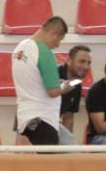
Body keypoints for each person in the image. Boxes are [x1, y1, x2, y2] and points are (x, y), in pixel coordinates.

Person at [12, 16, 78, 146]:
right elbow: (53, 92)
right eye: (59, 40)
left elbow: (33, 80)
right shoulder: (45, 53)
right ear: (54, 34)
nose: (57, 45)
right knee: (49, 164)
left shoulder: (19, 48)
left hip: (24, 117)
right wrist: (66, 86)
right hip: (43, 119)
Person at [58, 45, 92, 141]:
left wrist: (68, 145)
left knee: (70, 151)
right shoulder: (53, 75)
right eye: (82, 61)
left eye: (88, 63)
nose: (86, 67)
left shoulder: (77, 84)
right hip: (34, 124)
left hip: (53, 127)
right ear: (69, 61)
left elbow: (68, 118)